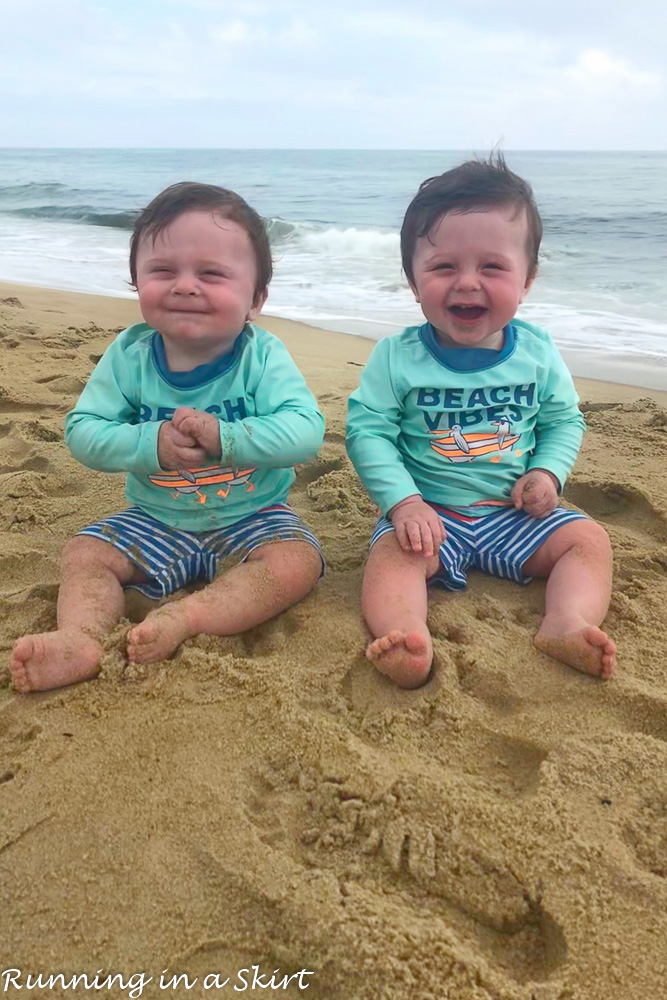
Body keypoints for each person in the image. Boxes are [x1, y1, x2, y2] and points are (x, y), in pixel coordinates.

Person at [12, 182, 324, 693]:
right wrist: (148, 443)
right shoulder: (130, 355)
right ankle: (82, 638)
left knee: (298, 561)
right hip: (155, 517)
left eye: (212, 274)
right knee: (86, 553)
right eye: (162, 271)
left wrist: (229, 437)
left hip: (256, 516)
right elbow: (83, 432)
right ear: (136, 282)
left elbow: (306, 431)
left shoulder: (262, 357)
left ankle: (191, 616)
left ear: (257, 298)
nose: (184, 285)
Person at [346, 155, 615, 689]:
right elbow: (367, 432)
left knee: (589, 541)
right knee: (388, 561)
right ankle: (406, 632)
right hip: (427, 521)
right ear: (413, 281)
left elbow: (563, 421)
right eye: (444, 267)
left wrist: (547, 475)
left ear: (527, 279)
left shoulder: (537, 352)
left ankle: (565, 621)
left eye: (492, 267)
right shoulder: (396, 357)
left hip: (514, 515)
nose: (467, 283)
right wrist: (405, 502)